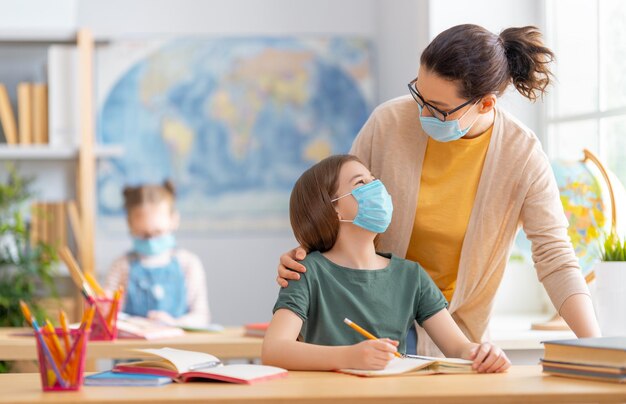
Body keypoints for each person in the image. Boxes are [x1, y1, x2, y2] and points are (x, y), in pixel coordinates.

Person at [276, 24, 601, 356]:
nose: (422, 113)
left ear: (486, 104)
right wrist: (307, 253)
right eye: (419, 94)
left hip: (457, 333)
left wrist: (597, 347)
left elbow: (555, 258)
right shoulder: (388, 122)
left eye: (438, 108)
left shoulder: (522, 155)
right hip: (372, 320)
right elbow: (339, 201)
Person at [262, 155, 510, 372]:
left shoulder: (411, 275)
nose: (377, 188)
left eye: (373, 179)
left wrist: (483, 354)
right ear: (333, 209)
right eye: (360, 182)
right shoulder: (306, 272)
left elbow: (458, 347)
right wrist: (349, 357)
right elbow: (274, 350)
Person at [105, 180, 210, 326]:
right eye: (143, 234)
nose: (151, 240)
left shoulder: (188, 263)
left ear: (174, 220)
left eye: (158, 232)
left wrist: (174, 323)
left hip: (180, 345)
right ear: (130, 225)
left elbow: (201, 317)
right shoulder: (121, 266)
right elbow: (108, 317)